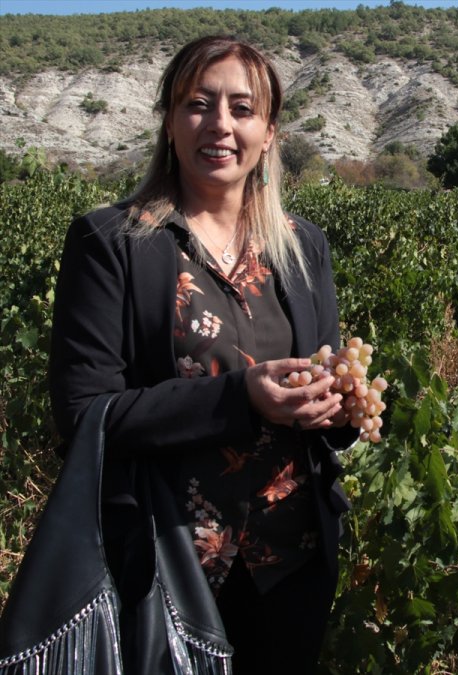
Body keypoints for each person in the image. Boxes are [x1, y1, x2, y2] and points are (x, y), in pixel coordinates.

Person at [49, 35, 358, 673]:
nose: (220, 125)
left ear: (269, 132)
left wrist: (338, 406)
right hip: (166, 566)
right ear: (169, 119)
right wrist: (241, 396)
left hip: (291, 567)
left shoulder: (302, 247)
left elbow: (324, 388)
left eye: (242, 109)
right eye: (198, 104)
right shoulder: (113, 243)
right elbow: (85, 414)